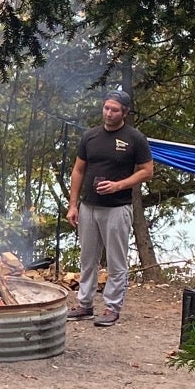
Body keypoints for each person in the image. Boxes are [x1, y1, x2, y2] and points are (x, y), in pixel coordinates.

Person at [66, 92, 155, 326]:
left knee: (116, 261)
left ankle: (112, 308)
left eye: (114, 110)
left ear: (124, 112)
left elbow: (147, 170)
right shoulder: (91, 136)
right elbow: (78, 170)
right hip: (88, 206)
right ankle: (84, 305)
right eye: (106, 108)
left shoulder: (134, 138)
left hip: (117, 208)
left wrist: (119, 185)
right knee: (87, 258)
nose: (109, 113)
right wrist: (73, 205)